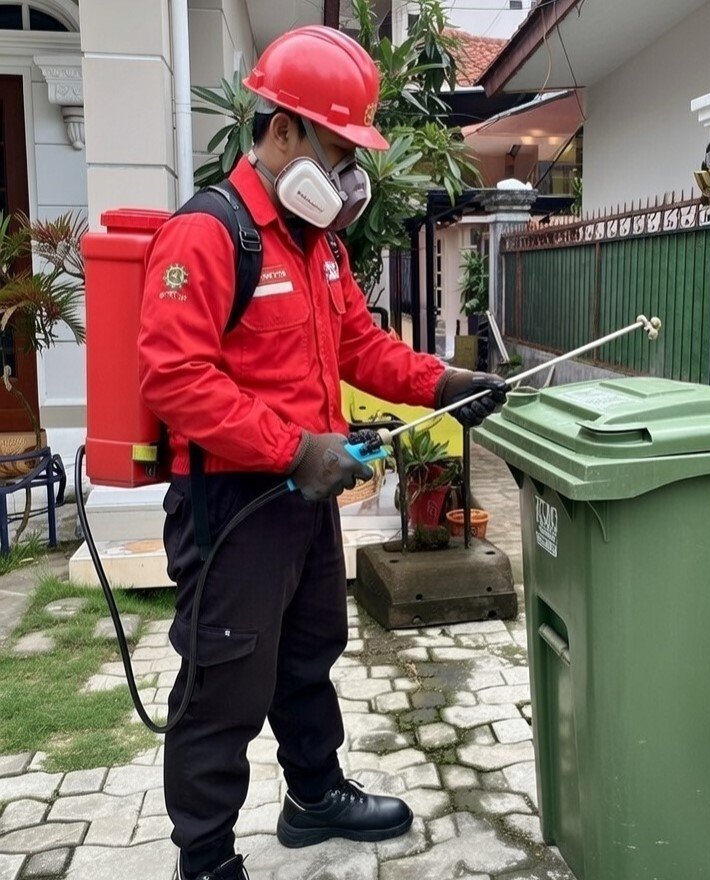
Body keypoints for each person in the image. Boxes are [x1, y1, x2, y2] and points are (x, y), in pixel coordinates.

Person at [137, 25, 508, 880]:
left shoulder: (318, 246)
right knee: (226, 680)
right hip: (232, 506)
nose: (348, 173)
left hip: (301, 502)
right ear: (282, 132)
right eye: (340, 148)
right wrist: (293, 447)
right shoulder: (208, 233)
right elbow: (175, 380)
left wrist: (446, 384)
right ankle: (205, 857)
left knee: (310, 651)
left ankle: (313, 797)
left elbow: (360, 349)